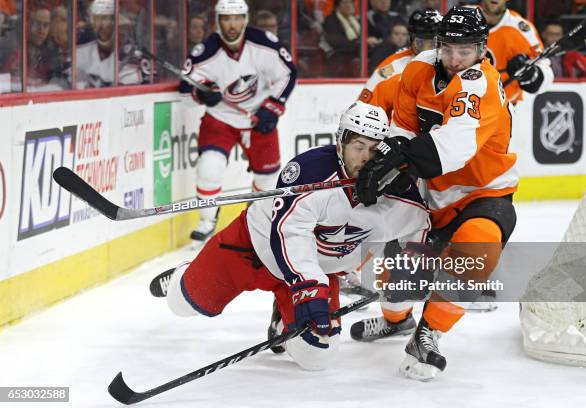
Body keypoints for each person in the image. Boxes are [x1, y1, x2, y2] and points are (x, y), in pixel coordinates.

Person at [158, 101, 431, 371]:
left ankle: (282, 322)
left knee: (317, 356)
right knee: (182, 303)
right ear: (340, 144)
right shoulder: (311, 170)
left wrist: (410, 269)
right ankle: (185, 273)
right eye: (358, 147)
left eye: (374, 150)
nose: (365, 158)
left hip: (315, 274)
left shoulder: (398, 193)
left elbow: (418, 226)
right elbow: (290, 233)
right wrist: (308, 288)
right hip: (254, 248)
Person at [355, 6, 517, 380]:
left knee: (478, 249)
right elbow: (405, 128)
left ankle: (428, 333)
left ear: (481, 48)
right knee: (397, 280)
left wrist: (398, 160)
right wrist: (385, 159)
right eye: (448, 49)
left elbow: (454, 146)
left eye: (465, 51)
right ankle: (396, 320)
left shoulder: (481, 83)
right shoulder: (419, 69)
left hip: (483, 193)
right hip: (430, 195)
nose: (455, 59)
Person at [348, 8, 441, 341]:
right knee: (390, 229)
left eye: (434, 39)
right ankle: (395, 311)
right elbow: (363, 113)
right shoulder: (391, 71)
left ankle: (460, 280)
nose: (429, 46)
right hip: (400, 166)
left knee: (443, 228)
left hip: (441, 167)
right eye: (422, 40)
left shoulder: (457, 70)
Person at [179, 0, 297, 245]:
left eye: (237, 18)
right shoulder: (207, 50)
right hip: (221, 118)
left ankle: (254, 222)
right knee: (209, 166)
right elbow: (185, 89)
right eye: (226, 18)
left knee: (268, 180)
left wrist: (272, 108)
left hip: (259, 118)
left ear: (245, 19)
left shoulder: (263, 43)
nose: (232, 25)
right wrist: (201, 93)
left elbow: (288, 73)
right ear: (218, 20)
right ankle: (207, 219)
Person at [358, 8, 442, 119]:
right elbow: (361, 113)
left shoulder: (454, 64)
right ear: (411, 40)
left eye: (435, 43)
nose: (429, 50)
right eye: (420, 42)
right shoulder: (393, 69)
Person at [479, 0, 554, 104]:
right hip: (462, 106)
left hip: (502, 110)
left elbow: (546, 72)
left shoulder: (521, 29)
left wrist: (530, 74)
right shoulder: (462, 18)